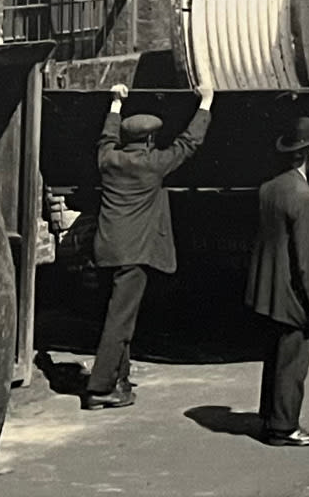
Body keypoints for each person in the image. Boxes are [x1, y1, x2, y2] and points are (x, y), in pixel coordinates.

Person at [83, 75, 215, 410]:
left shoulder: (108, 160)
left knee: (117, 315)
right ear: (151, 138)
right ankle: (99, 389)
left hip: (107, 249)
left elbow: (104, 137)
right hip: (133, 255)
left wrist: (115, 103)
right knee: (119, 320)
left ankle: (119, 381)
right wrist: (206, 102)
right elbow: (188, 144)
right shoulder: (152, 166)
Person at [246, 115, 309, 447]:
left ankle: (270, 417)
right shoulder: (303, 196)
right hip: (293, 294)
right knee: (293, 362)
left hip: (270, 291)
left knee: (275, 357)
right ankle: (285, 427)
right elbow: (307, 258)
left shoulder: (269, 187)